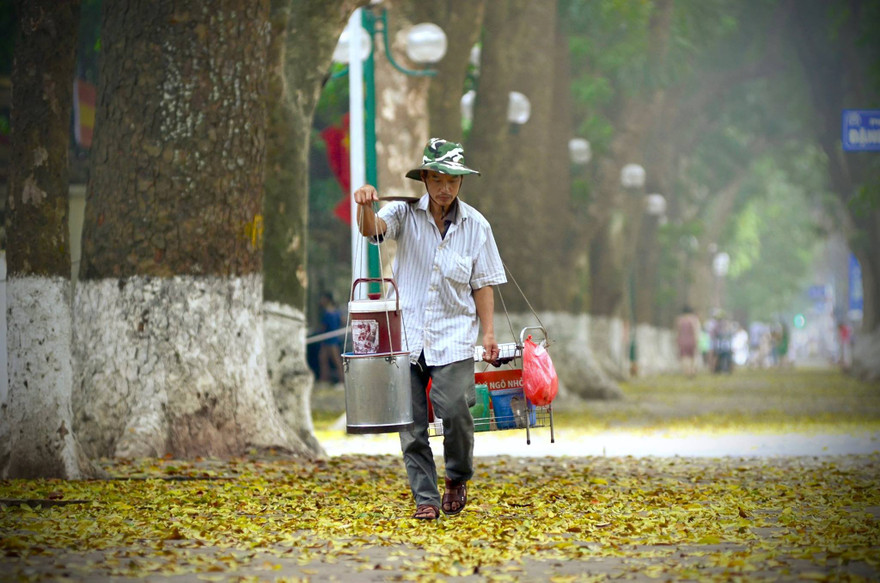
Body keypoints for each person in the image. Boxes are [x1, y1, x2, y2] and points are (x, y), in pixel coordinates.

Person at [353, 138, 506, 521]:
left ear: (460, 183)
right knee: (411, 422)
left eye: (452, 180)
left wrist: (488, 334)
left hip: (453, 335)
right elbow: (373, 231)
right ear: (424, 178)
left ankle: (456, 476)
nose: (444, 188)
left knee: (455, 408)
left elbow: (483, 283)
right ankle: (425, 497)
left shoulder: (477, 226)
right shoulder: (405, 214)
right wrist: (364, 205)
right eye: (437, 178)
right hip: (407, 334)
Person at [317, 292, 344, 383]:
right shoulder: (335, 312)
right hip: (326, 341)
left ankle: (342, 381)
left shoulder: (329, 313)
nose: (321, 301)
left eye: (323, 299)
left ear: (327, 300)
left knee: (336, 361)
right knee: (323, 360)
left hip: (332, 341)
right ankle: (324, 380)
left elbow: (323, 327)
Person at [674, 306, 701, 377]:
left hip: (682, 341)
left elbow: (677, 332)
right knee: (693, 356)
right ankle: (692, 370)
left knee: (685, 357)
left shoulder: (680, 320)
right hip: (692, 341)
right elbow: (696, 330)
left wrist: (677, 341)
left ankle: (687, 371)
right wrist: (697, 340)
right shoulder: (694, 319)